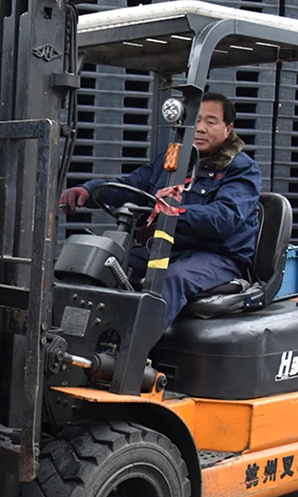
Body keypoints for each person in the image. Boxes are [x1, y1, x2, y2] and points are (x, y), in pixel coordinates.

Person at [59, 92, 261, 330]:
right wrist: (90, 191)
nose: (201, 128)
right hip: (167, 248)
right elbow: (133, 185)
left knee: (168, 278)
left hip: (216, 257)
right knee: (103, 264)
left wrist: (175, 212)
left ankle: (132, 359)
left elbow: (224, 218)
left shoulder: (241, 169)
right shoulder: (173, 161)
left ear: (228, 129)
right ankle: (84, 342)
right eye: (195, 121)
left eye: (210, 121)